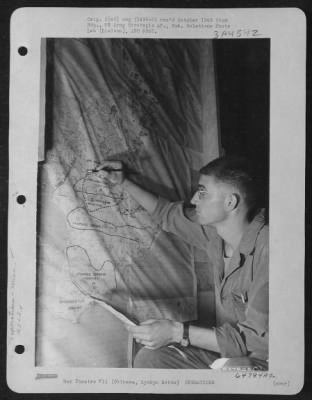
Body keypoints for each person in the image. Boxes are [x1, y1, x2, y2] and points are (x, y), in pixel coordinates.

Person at [94, 156, 269, 370]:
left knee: (231, 369)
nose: (194, 199)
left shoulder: (270, 251)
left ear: (230, 202)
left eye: (203, 192)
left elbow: (251, 340)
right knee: (151, 359)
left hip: (266, 364)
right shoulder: (215, 235)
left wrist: (176, 332)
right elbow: (166, 214)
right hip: (232, 354)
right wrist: (122, 181)